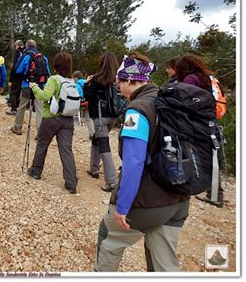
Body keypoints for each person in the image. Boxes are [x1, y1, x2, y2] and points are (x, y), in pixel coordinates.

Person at [95, 52, 191, 272]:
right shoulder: (167, 101)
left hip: (148, 202)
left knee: (108, 238)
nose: (117, 85)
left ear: (132, 80)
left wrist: (122, 207)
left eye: (120, 80)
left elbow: (134, 163)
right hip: (179, 197)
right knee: (164, 263)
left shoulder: (136, 111)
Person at [26, 52, 78, 194]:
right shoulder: (71, 81)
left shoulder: (54, 79)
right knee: (66, 149)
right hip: (68, 119)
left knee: (43, 143)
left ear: (56, 64)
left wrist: (34, 87)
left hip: (51, 118)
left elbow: (44, 96)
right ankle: (71, 182)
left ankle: (36, 171)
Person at [176, 54, 224, 208]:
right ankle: (216, 193)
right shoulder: (207, 77)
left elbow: (184, 101)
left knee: (194, 153)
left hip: (197, 121)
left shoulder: (190, 79)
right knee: (212, 155)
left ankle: (190, 184)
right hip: (211, 120)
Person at [84, 52, 119, 192]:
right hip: (113, 116)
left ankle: (111, 181)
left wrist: (86, 84)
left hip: (100, 117)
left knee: (104, 147)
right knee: (96, 139)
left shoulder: (97, 79)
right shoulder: (117, 80)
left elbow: (88, 96)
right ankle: (93, 168)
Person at [10, 39, 50, 137]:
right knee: (40, 108)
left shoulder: (26, 56)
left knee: (22, 106)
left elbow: (18, 69)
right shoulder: (43, 57)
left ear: (27, 46)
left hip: (26, 85)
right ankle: (40, 133)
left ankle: (17, 127)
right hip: (40, 86)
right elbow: (48, 73)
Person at [6, 40, 25, 115]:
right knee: (18, 92)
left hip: (16, 75)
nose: (15, 47)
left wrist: (11, 79)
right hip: (23, 76)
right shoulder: (25, 52)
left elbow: (14, 67)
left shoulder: (17, 53)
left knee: (13, 92)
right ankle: (16, 107)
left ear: (18, 45)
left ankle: (13, 109)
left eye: (15, 45)